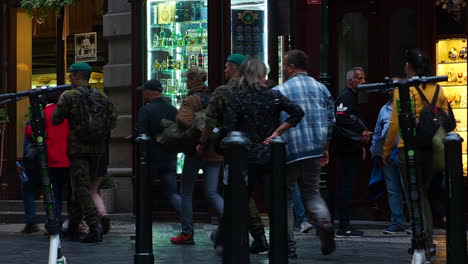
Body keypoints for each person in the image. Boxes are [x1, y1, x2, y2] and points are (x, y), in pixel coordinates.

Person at [223, 58, 304, 254]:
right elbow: (298, 112)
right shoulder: (273, 96)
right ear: (262, 75)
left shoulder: (237, 98)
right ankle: (283, 246)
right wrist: (277, 132)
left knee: (240, 202)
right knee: (274, 203)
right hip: (270, 155)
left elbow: (229, 128)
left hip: (244, 156)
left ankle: (237, 245)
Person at [197, 54, 270, 254]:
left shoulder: (224, 91)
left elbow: (210, 120)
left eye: (227, 67)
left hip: (232, 149)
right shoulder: (261, 88)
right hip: (260, 148)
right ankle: (254, 236)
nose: (225, 71)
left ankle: (234, 234)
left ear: (235, 68)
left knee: (237, 191)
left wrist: (203, 144)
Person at [383, 48, 449, 257]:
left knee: (415, 195)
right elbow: (447, 117)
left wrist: (386, 149)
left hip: (408, 148)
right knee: (423, 194)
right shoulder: (437, 88)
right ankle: (424, 240)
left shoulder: (404, 89)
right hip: (431, 148)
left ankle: (423, 241)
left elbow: (395, 122)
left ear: (407, 66)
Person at [274, 49, 335, 258]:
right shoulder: (321, 88)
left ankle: (288, 244)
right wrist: (325, 146)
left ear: (290, 67)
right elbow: (330, 119)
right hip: (314, 148)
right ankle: (324, 220)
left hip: (290, 149)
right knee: (312, 191)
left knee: (286, 196)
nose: (283, 69)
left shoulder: (280, 90)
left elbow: (277, 120)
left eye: (284, 65)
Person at [52, 62, 115, 243]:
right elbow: (113, 120)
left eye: (71, 75)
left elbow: (56, 119)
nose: (69, 78)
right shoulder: (102, 96)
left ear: (78, 75)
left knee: (81, 188)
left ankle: (94, 228)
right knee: (78, 188)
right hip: (97, 150)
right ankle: (73, 228)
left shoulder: (70, 95)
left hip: (78, 149)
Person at [170, 67, 224, 245]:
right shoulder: (214, 98)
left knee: (186, 193)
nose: (186, 81)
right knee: (211, 192)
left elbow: (183, 120)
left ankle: (187, 233)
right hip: (215, 152)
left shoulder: (191, 100)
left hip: (195, 151)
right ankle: (234, 223)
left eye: (188, 79)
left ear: (193, 80)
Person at [131, 79, 182, 225]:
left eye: (144, 91)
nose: (143, 94)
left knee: (145, 192)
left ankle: (143, 229)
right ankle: (187, 224)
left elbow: (141, 132)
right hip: (170, 155)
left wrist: (133, 138)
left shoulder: (145, 110)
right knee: (172, 193)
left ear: (149, 92)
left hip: (150, 156)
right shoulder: (172, 109)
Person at [333, 66, 372, 237]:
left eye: (364, 78)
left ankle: (344, 223)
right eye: (360, 78)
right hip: (347, 148)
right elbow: (340, 117)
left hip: (350, 147)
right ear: (351, 80)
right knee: (347, 186)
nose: (364, 82)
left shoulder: (351, 97)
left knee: (347, 185)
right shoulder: (347, 96)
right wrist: (360, 132)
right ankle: (344, 225)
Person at [370, 88, 408, 234]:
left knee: (409, 188)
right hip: (388, 153)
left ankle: (416, 223)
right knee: (392, 189)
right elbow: (378, 131)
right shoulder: (384, 109)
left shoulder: (409, 105)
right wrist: (374, 149)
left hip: (405, 152)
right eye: (393, 88)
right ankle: (397, 222)